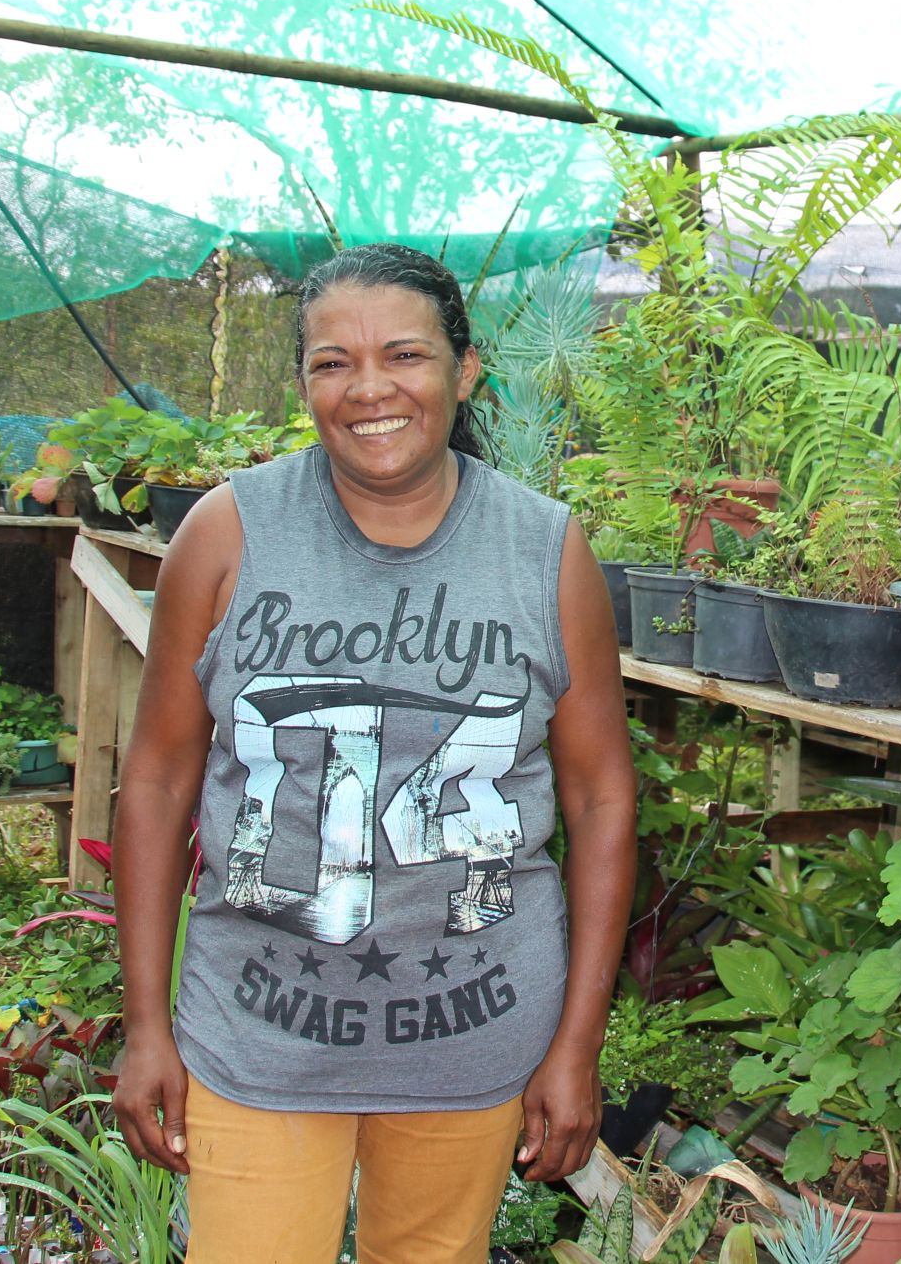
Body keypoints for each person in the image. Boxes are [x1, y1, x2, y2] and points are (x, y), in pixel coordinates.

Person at [111, 243, 637, 1264]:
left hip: (476, 1027)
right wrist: (144, 1026)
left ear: (464, 369)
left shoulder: (543, 550)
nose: (368, 388)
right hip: (256, 1024)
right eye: (332, 362)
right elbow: (160, 781)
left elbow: (601, 797)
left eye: (403, 354)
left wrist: (577, 1042)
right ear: (302, 382)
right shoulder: (225, 536)